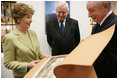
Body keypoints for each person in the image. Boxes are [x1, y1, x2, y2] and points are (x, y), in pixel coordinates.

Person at [3, 3, 46, 78]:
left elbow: (37, 52)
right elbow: (8, 63)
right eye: (28, 17)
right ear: (18, 19)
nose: (31, 20)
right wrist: (27, 65)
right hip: (23, 76)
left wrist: (45, 57)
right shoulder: (10, 38)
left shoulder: (33, 33)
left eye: (31, 17)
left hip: (37, 74)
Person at [86, 1, 117, 78]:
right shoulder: (96, 25)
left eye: (91, 10)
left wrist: (88, 48)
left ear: (105, 6)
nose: (88, 15)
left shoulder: (115, 26)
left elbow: (113, 62)